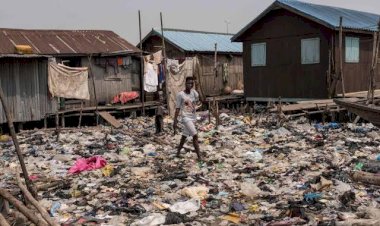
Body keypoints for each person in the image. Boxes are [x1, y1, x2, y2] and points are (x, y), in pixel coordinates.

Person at [173, 77, 202, 160]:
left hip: (193, 117)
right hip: (185, 118)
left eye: (192, 83)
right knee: (195, 135)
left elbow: (197, 102)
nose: (190, 85)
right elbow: (178, 108)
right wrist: (175, 122)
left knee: (184, 136)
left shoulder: (194, 93)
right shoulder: (181, 95)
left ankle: (178, 153)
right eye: (188, 83)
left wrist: (197, 106)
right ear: (185, 84)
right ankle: (199, 157)